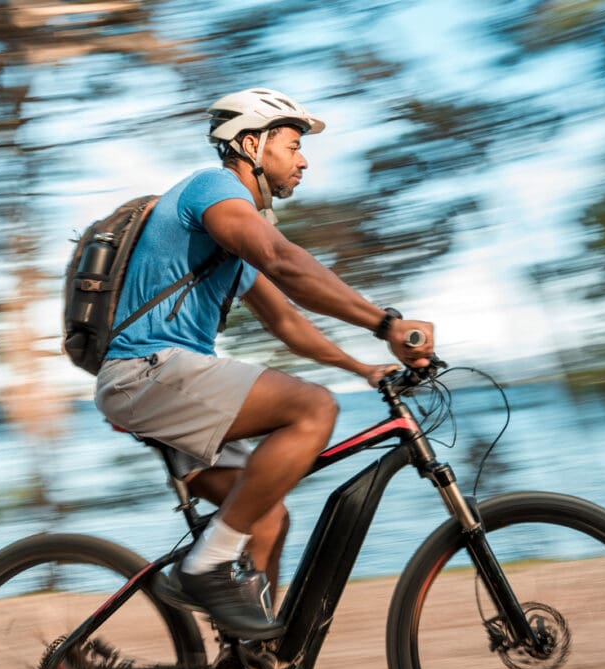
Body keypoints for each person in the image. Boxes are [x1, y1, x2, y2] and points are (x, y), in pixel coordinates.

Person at [94, 87, 435, 639]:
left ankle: (250, 662)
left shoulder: (230, 232)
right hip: (147, 372)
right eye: (294, 144)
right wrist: (385, 323)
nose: (303, 160)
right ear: (251, 144)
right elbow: (282, 260)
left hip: (168, 380)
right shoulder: (213, 191)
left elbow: (288, 322)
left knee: (267, 517)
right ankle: (202, 567)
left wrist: (364, 368)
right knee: (311, 409)